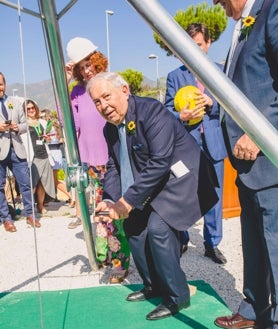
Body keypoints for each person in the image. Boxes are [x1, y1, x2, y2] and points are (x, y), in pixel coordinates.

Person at [89, 72, 218, 320]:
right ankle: (154, 286)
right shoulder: (110, 129)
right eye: (97, 102)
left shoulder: (152, 111)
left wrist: (127, 201)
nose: (103, 106)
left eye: (107, 96)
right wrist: (108, 199)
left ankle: (177, 296)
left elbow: (160, 162)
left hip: (182, 177)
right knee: (134, 225)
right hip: (155, 181)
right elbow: (115, 165)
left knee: (158, 228)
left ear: (124, 90)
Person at [212, 1, 278, 329]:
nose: (222, 9)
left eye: (222, 2)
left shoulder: (273, 9)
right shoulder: (243, 26)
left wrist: (261, 132)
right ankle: (254, 311)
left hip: (268, 158)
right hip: (246, 166)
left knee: (277, 248)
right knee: (253, 244)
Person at [66, 37, 130, 284]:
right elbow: (70, 124)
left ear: (97, 60)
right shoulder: (77, 92)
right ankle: (105, 255)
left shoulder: (113, 82)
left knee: (116, 213)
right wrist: (68, 83)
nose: (86, 70)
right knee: (99, 215)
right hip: (90, 161)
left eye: (88, 64)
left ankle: (119, 263)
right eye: (80, 67)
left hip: (113, 157)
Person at [165, 23, 227, 264]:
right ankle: (181, 237)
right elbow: (167, 110)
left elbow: (231, 106)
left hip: (213, 142)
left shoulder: (220, 71)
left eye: (198, 44)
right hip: (185, 143)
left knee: (216, 195)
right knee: (183, 192)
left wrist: (212, 104)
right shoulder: (174, 76)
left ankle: (212, 244)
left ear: (208, 43)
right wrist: (180, 116)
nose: (194, 49)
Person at [0, 72, 40, 231]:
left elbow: (25, 124)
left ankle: (31, 215)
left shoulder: (15, 103)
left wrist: (17, 127)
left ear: (5, 84)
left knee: (26, 183)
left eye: (1, 84)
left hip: (17, 149)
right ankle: (6, 219)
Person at [23, 99, 56, 215]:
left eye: (32, 108)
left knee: (42, 184)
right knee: (32, 184)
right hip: (33, 157)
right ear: (25, 111)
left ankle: (40, 206)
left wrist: (47, 138)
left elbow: (48, 139)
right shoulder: (24, 124)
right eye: (28, 109)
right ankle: (30, 208)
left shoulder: (42, 122)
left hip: (44, 155)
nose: (31, 110)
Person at [40, 108, 73, 205]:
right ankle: (47, 200)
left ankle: (71, 196)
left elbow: (50, 140)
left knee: (54, 180)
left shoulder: (49, 127)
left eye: (42, 116)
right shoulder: (56, 125)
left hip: (52, 153)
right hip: (57, 152)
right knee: (51, 179)